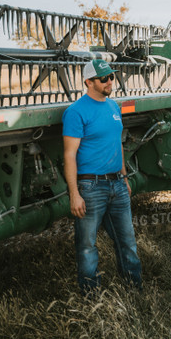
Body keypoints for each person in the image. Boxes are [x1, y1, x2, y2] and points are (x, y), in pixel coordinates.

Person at [62, 59, 142, 295]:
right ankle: (91, 296)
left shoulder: (114, 107)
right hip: (90, 186)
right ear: (88, 82)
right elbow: (69, 155)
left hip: (117, 183)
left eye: (111, 77)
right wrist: (74, 193)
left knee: (127, 241)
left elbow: (118, 144)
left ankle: (133, 289)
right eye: (104, 78)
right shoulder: (75, 112)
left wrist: (125, 178)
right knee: (87, 246)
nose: (110, 82)